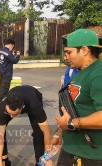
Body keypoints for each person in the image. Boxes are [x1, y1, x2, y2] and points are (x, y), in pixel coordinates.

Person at [52, 29, 102, 165]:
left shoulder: (98, 75)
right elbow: (75, 108)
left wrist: (70, 124)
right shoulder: (79, 72)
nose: (66, 57)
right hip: (71, 150)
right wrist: (60, 133)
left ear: (84, 50)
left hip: (91, 155)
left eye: (69, 52)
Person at [0, 85, 53, 166]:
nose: (11, 116)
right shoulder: (3, 107)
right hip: (18, 95)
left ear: (22, 107)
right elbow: (0, 136)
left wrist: (47, 156)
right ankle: (5, 160)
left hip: (33, 95)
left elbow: (47, 132)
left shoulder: (34, 104)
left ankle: (40, 162)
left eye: (15, 114)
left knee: (39, 131)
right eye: (9, 113)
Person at [0, 38, 20, 103]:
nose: (12, 48)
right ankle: (2, 102)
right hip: (7, 73)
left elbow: (6, 60)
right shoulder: (8, 53)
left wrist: (11, 54)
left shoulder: (1, 50)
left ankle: (0, 99)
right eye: (12, 46)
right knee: (5, 88)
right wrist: (18, 55)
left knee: (0, 86)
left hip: (1, 72)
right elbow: (15, 61)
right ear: (10, 45)